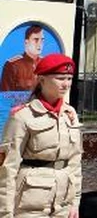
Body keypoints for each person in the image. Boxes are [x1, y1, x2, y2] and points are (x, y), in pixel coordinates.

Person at [0, 53, 82, 218]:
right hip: (29, 205)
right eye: (60, 78)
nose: (66, 84)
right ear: (42, 80)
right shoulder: (22, 116)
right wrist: (5, 213)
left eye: (69, 78)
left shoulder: (69, 114)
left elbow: (75, 162)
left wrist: (75, 202)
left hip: (63, 205)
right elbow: (7, 168)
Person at [0, 25, 44, 92]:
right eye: (36, 40)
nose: (39, 44)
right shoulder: (12, 65)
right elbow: (6, 96)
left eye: (42, 40)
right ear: (26, 42)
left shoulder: (45, 63)